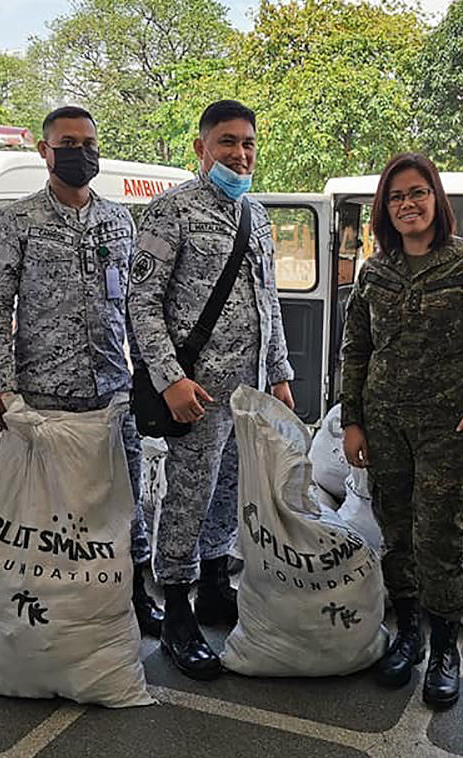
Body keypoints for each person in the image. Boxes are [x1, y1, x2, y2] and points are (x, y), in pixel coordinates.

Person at [0, 106, 164, 637]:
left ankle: (134, 594)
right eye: (67, 142)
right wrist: (1, 384)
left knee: (124, 500)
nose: (80, 152)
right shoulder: (17, 222)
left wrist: (147, 376)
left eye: (88, 142)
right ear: (44, 150)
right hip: (45, 397)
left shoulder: (118, 221)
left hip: (112, 392)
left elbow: (133, 305)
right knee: (49, 512)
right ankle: (56, 601)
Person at [339, 153, 463, 709]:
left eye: (417, 193)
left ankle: (445, 647)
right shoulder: (376, 272)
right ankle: (409, 633)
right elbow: (356, 348)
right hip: (385, 422)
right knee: (396, 532)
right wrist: (352, 420)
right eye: (395, 198)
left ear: (437, 200)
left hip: (447, 427)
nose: (407, 205)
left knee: (439, 536)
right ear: (383, 211)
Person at [129, 100, 294, 680]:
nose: (239, 153)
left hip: (245, 393)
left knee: (230, 493)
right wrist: (170, 379)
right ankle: (176, 606)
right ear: (200, 149)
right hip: (194, 395)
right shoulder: (169, 212)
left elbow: (267, 301)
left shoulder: (259, 217)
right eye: (227, 142)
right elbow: (142, 304)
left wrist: (279, 373)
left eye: (248, 143)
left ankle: (216, 585)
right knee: (188, 498)